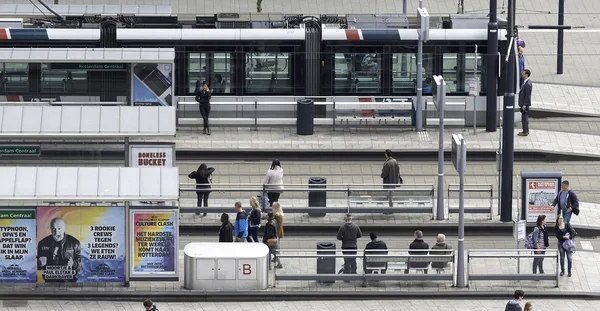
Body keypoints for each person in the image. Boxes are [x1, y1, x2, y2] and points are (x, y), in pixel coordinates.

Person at [37, 217, 82, 282]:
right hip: (50, 283)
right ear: (50, 229)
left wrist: (73, 264)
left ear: (64, 228)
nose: (56, 233)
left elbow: (82, 266)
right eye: (53, 229)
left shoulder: (75, 243)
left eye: (59, 228)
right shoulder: (43, 243)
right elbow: (37, 267)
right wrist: (40, 264)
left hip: (69, 283)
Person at [336, 214, 363, 279]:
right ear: (351, 219)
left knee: (346, 260)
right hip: (353, 246)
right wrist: (354, 238)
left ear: (345, 219)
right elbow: (360, 235)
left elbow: (338, 237)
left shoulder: (342, 227)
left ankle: (347, 276)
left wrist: (344, 239)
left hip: (345, 246)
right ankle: (354, 273)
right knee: (353, 259)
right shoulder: (356, 227)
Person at [518, 69, 532, 137]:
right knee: (524, 117)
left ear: (526, 74)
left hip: (524, 104)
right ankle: (525, 130)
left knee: (524, 118)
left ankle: (525, 131)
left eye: (523, 73)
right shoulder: (525, 82)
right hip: (523, 103)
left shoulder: (528, 84)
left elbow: (527, 95)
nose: (522, 74)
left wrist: (524, 104)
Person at [272, 202, 284, 268]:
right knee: (277, 247)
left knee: (276, 248)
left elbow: (276, 225)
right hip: (279, 233)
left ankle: (279, 263)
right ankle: (276, 259)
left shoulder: (277, 216)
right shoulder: (280, 214)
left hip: (277, 233)